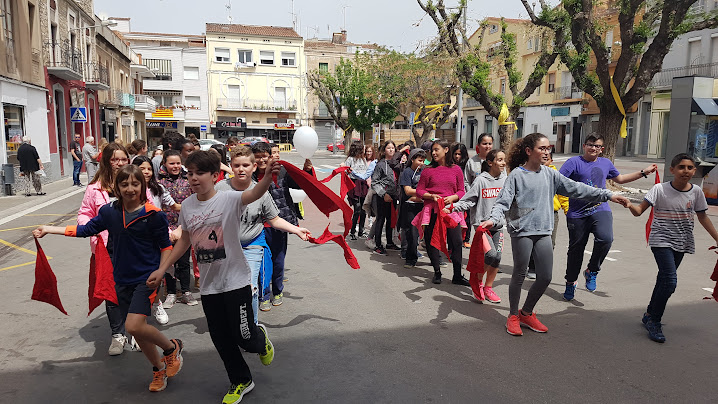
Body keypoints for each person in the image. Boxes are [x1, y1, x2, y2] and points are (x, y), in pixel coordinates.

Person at [33, 165, 184, 392]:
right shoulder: (109, 212)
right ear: (116, 187)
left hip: (147, 278)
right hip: (121, 278)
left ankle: (171, 348)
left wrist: (161, 271)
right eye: (124, 184)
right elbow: (85, 229)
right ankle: (158, 369)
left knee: (133, 325)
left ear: (143, 186)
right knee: (136, 330)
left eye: (135, 184)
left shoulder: (154, 215)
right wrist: (49, 228)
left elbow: (165, 247)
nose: (130, 189)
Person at [154, 150, 276, 403]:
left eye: (200, 173)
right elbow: (184, 240)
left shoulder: (229, 199)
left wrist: (266, 177)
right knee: (221, 339)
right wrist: (162, 267)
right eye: (190, 174)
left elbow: (254, 193)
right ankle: (241, 380)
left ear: (214, 175)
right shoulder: (187, 206)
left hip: (236, 281)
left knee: (244, 336)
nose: (194, 178)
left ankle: (260, 340)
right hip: (210, 288)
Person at [481, 133, 630, 336]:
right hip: (522, 231)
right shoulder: (517, 175)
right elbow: (502, 203)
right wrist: (493, 218)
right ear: (529, 151)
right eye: (542, 148)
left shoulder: (550, 174)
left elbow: (578, 189)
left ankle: (527, 312)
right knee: (519, 274)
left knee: (545, 277)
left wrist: (609, 194)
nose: (546, 152)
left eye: (548, 148)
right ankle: (513, 315)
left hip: (543, 231)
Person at [628, 153, 718, 343]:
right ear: (672, 170)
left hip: (682, 240)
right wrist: (628, 203)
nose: (685, 171)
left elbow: (703, 217)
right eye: (681, 167)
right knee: (670, 281)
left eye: (689, 168)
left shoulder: (696, 192)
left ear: (694, 171)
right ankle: (655, 320)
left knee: (664, 279)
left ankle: (650, 313)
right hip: (660, 239)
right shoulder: (659, 189)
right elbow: (639, 211)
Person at [216, 146, 310, 324]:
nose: (241, 169)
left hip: (252, 244)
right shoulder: (220, 189)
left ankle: (252, 328)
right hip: (227, 248)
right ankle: (234, 323)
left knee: (250, 286)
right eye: (236, 165)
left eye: (245, 165)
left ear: (252, 167)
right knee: (228, 289)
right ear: (231, 166)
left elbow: (274, 219)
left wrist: (297, 230)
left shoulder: (261, 191)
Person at [560, 134, 658, 299]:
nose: (593, 148)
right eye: (590, 145)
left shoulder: (606, 163)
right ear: (584, 146)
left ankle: (592, 270)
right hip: (577, 213)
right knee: (576, 251)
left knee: (605, 239)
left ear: (602, 149)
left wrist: (643, 172)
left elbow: (620, 179)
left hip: (600, 208)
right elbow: (559, 181)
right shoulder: (573, 163)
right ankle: (570, 282)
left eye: (597, 146)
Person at [78, 143, 134, 354]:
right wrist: (90, 231)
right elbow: (84, 213)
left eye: (123, 159)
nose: (119, 163)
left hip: (132, 247)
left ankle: (136, 331)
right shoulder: (95, 188)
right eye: (114, 159)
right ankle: (117, 335)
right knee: (111, 292)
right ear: (106, 161)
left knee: (134, 290)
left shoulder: (134, 183)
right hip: (106, 248)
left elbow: (148, 211)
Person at [251, 142, 305, 311]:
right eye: (257, 156)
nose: (261, 160)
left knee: (278, 261)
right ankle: (264, 295)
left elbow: (299, 184)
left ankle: (278, 291)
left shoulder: (281, 171)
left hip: (279, 224)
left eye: (264, 156)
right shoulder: (249, 175)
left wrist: (308, 170)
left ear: (269, 156)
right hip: (258, 226)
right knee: (261, 263)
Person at [449, 149, 507, 303]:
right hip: (482, 226)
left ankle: (488, 288)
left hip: (499, 225)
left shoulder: (505, 180)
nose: (503, 163)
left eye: (504, 160)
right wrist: (452, 207)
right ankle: (477, 280)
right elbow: (469, 200)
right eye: (500, 160)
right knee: (490, 255)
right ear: (490, 162)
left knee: (497, 258)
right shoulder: (481, 180)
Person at [415, 139, 469, 285]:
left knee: (457, 242)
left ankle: (457, 275)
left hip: (450, 210)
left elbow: (462, 191)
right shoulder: (427, 170)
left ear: (446, 150)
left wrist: (453, 197)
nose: (433, 153)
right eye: (432, 150)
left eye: (436, 149)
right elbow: (420, 190)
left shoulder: (456, 169)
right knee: (432, 242)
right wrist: (431, 196)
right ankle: (437, 272)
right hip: (432, 210)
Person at [158, 149, 196, 308]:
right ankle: (171, 293)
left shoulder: (189, 179)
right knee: (168, 262)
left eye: (178, 163)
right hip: (164, 227)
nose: (175, 166)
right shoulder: (158, 182)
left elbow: (195, 201)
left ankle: (186, 291)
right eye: (171, 163)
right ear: (164, 164)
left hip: (185, 225)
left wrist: (183, 226)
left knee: (183, 261)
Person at [527, 151, 568, 279]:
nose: (544, 161)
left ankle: (543, 266)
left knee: (550, 242)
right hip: (534, 212)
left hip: (552, 213)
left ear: (551, 161)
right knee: (534, 241)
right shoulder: (529, 172)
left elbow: (563, 193)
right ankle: (532, 267)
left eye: (547, 159)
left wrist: (567, 208)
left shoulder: (554, 174)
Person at [371, 140, 401, 255]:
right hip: (382, 196)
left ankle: (389, 242)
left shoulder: (397, 164)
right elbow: (375, 182)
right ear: (384, 151)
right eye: (388, 148)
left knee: (391, 219)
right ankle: (378, 245)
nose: (391, 150)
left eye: (393, 148)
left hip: (394, 196)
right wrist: (383, 194)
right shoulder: (381, 165)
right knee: (380, 219)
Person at [343, 141, 376, 240]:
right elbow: (345, 171)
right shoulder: (350, 159)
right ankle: (352, 231)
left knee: (363, 209)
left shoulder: (363, 159)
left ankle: (361, 231)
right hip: (354, 185)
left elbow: (366, 171)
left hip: (363, 184)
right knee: (357, 209)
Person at [399, 148, 426, 267]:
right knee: (412, 234)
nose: (422, 163)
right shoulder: (407, 172)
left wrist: (420, 196)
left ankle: (437, 258)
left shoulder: (425, 172)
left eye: (423, 161)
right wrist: (422, 194)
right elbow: (408, 190)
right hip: (410, 208)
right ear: (413, 159)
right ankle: (410, 259)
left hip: (424, 206)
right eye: (419, 160)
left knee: (428, 234)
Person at [450, 142, 471, 248]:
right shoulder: (450, 165)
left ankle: (465, 239)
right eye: (455, 154)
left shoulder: (467, 165)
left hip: (466, 196)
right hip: (454, 196)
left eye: (459, 154)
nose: (457, 156)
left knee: (467, 218)